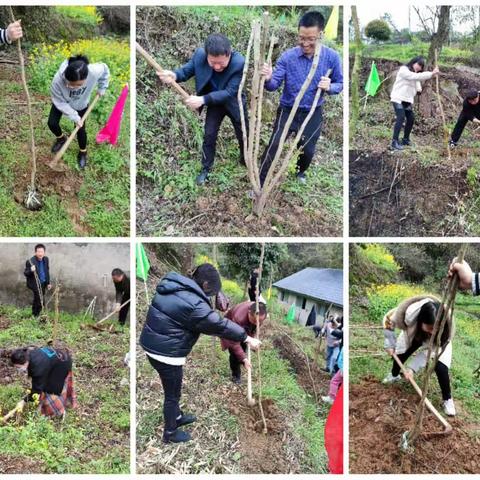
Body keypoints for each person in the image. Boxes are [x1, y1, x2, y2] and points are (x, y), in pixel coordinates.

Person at [139, 263, 262, 443]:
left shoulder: (176, 285)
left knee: (174, 391)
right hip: (165, 354)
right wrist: (247, 338)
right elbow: (218, 325)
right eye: (212, 291)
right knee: (172, 396)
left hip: (155, 343)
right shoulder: (195, 304)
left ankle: (177, 417)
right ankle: (170, 433)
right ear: (204, 285)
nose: (212, 295)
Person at [259, 11, 343, 185]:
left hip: (313, 112)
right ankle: (262, 176)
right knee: (275, 144)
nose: (305, 43)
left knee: (308, 149)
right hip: (288, 109)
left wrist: (330, 86)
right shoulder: (288, 57)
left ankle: (299, 171)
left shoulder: (332, 57)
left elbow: (340, 84)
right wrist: (268, 78)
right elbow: (273, 85)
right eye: (301, 38)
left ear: (321, 35)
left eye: (311, 39)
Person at [158, 34, 247, 185]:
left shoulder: (239, 63)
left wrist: (202, 100)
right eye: (213, 63)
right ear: (206, 55)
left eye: (221, 63)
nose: (217, 67)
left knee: (243, 133)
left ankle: (245, 159)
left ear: (229, 53)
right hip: (214, 105)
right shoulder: (200, 56)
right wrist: (173, 75)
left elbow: (230, 92)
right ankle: (206, 168)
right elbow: (185, 71)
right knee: (209, 135)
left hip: (233, 102)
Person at [382, 295, 456, 416]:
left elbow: (428, 352)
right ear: (421, 320)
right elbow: (388, 320)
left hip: (438, 343)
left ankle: (447, 399)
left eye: (436, 328)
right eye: (430, 328)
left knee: (441, 367)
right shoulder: (410, 313)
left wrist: (412, 368)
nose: (433, 331)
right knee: (400, 354)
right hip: (416, 333)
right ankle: (394, 375)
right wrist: (390, 343)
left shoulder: (444, 330)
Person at [49, 54, 110, 168]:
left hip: (81, 104)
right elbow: (59, 102)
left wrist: (102, 87)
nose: (72, 87)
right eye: (70, 84)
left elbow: (105, 69)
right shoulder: (57, 81)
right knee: (52, 123)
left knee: (80, 130)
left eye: (78, 85)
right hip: (63, 103)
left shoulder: (93, 71)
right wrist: (73, 116)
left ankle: (83, 152)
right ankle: (61, 139)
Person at [10, 346, 76, 418]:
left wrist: (23, 401)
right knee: (44, 385)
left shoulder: (38, 367)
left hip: (62, 364)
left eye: (19, 367)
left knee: (52, 389)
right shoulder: (28, 353)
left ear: (25, 362)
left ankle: (58, 412)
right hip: (60, 357)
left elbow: (37, 389)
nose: (18, 370)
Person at [390, 56, 439, 151]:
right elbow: (413, 77)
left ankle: (405, 139)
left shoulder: (415, 74)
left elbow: (416, 81)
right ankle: (394, 141)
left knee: (411, 118)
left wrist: (418, 89)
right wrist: (431, 73)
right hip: (398, 98)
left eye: (421, 67)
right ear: (413, 62)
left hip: (407, 100)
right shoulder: (404, 70)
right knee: (400, 117)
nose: (419, 67)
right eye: (418, 64)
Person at [221, 301, 268, 384]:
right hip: (229, 329)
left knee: (243, 348)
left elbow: (253, 328)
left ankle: (241, 361)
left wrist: (251, 339)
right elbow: (234, 343)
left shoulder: (259, 313)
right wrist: (244, 358)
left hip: (243, 328)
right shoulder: (238, 318)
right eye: (253, 321)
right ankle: (236, 375)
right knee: (235, 354)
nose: (257, 324)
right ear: (249, 312)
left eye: (259, 322)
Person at [24, 244, 51, 319]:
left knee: (38, 299)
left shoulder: (46, 259)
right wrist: (31, 270)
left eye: (42, 252)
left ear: (44, 252)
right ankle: (36, 315)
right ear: (35, 252)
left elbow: (47, 271)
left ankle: (35, 314)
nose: (40, 254)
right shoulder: (30, 261)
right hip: (35, 284)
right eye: (38, 252)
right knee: (39, 299)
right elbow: (26, 273)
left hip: (43, 283)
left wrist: (48, 283)